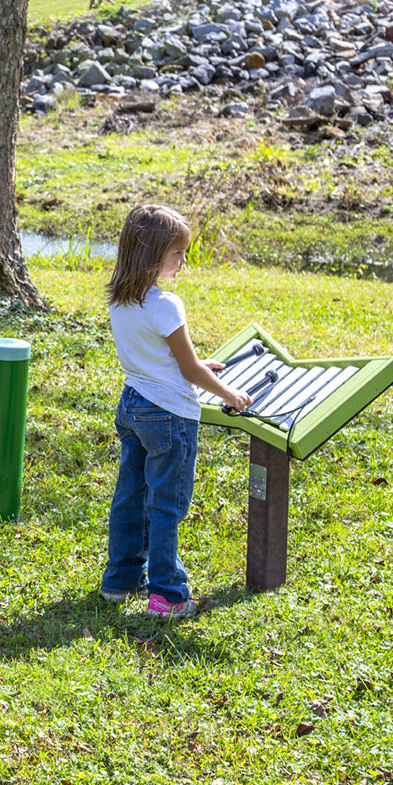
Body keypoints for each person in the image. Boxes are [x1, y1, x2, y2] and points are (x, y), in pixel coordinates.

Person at [100, 204, 252, 619]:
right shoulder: (167, 305)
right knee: (167, 505)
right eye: (177, 254)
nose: (183, 262)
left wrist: (202, 366)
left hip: (133, 407)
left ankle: (120, 580)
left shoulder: (120, 298)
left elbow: (163, 356)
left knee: (130, 496)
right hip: (170, 416)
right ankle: (168, 594)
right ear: (151, 253)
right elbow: (186, 370)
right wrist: (230, 394)